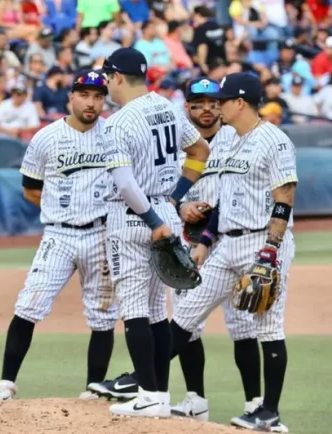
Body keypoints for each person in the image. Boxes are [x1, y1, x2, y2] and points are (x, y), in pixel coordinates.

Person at [91, 78, 262, 422]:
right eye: (197, 102)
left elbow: (239, 190)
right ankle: (191, 396)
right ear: (187, 108)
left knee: (241, 324)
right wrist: (178, 202)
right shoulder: (174, 129)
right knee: (184, 321)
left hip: (228, 238)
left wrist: (203, 221)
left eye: (213, 102)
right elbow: (165, 181)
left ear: (224, 104)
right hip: (184, 236)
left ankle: (254, 404)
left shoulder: (235, 137)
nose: (207, 109)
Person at [0, 70, 119, 402]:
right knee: (28, 305)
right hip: (59, 234)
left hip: (101, 234)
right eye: (84, 95)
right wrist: (61, 208)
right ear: (70, 97)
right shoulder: (46, 137)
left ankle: (94, 389)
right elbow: (30, 189)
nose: (91, 102)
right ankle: (5, 383)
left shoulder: (114, 134)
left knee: (103, 314)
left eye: (98, 96)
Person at [171, 72, 296, 433]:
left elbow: (284, 198)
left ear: (240, 102)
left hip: (263, 241)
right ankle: (147, 384)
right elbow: (223, 201)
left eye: (223, 100)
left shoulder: (275, 140)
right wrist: (207, 242)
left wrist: (271, 251)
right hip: (226, 243)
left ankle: (268, 413)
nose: (217, 106)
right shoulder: (227, 142)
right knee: (185, 313)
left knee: (268, 326)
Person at [97, 47, 211, 418]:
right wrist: (175, 198)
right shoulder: (167, 106)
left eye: (106, 78)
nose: (106, 85)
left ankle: (148, 395)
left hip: (135, 216)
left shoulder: (117, 122)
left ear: (116, 77)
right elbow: (200, 149)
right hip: (164, 205)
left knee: (133, 309)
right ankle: (160, 394)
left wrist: (152, 221)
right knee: (156, 310)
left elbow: (127, 185)